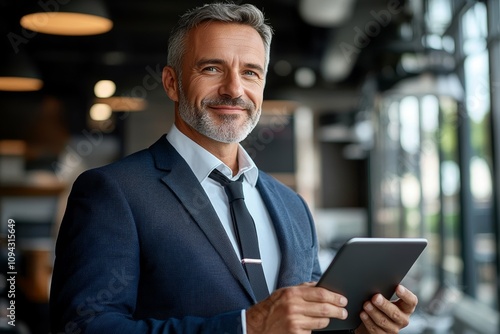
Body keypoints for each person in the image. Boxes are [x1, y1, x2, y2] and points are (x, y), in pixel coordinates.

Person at [49, 2, 418, 333]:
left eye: (251, 73)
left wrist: (359, 329)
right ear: (172, 83)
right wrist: (246, 327)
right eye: (212, 68)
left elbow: (310, 322)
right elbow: (83, 326)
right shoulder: (113, 192)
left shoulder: (293, 206)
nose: (233, 89)